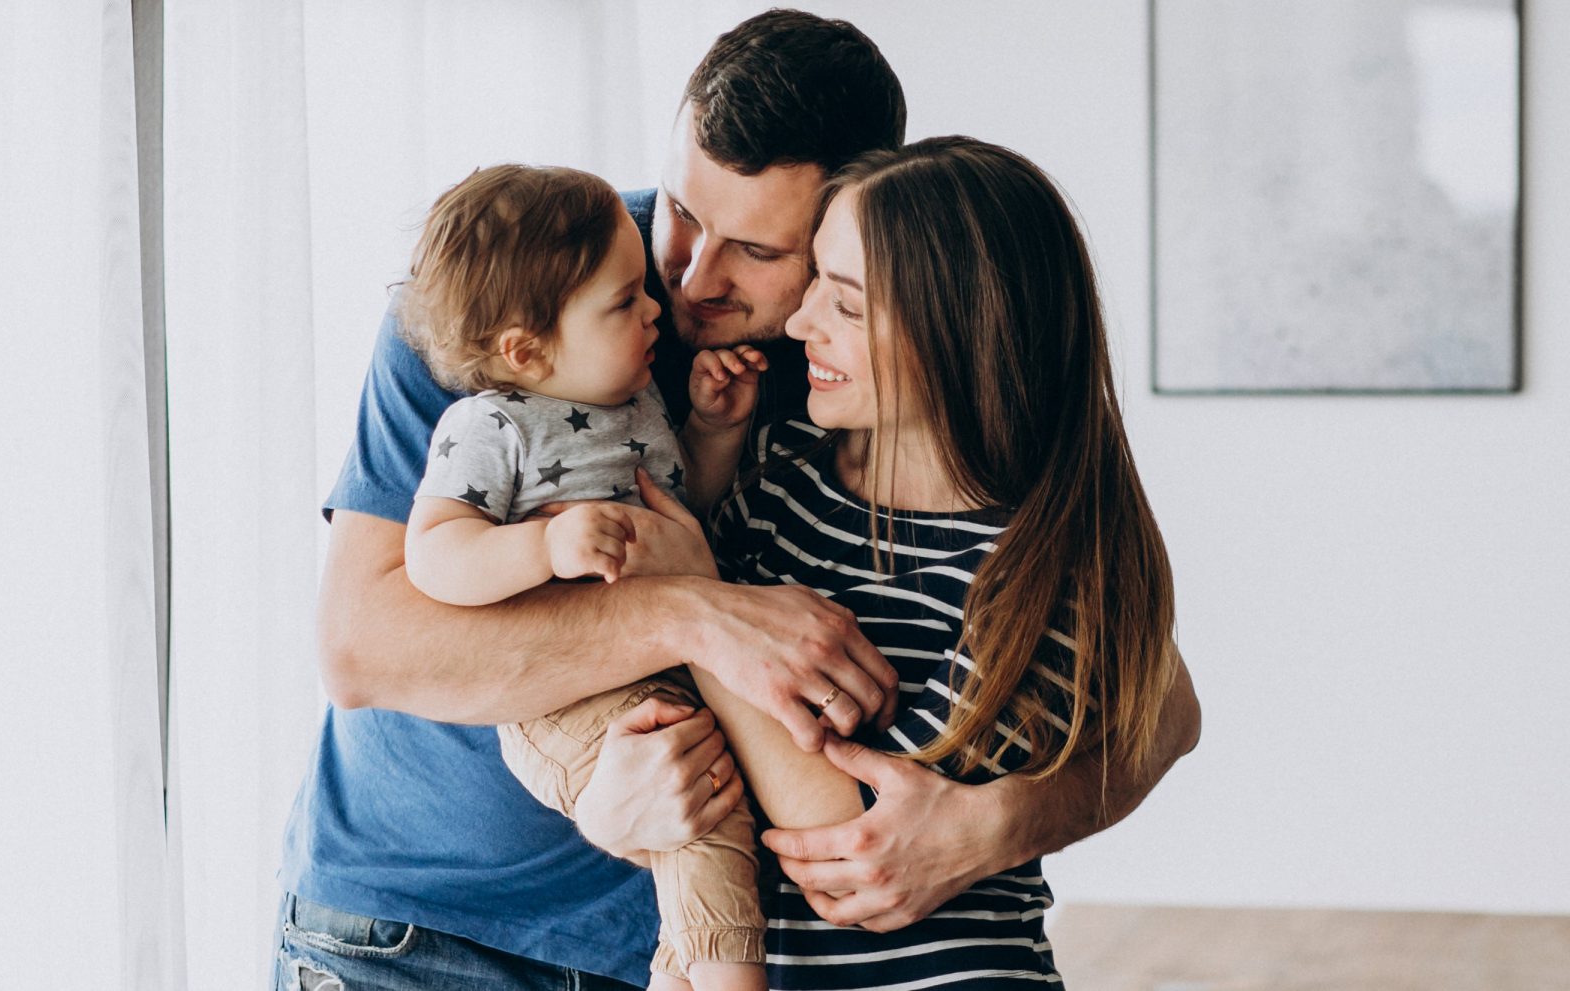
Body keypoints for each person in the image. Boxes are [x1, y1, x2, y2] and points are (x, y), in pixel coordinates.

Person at [282, 11, 1201, 991]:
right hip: (428, 929)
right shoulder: (516, 287)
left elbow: (1160, 702)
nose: (689, 272)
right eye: (680, 208)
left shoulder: (855, 359)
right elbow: (361, 646)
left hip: (684, 947)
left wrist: (1005, 821)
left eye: (759, 251)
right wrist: (697, 614)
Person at [598, 134, 1183, 988]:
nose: (800, 326)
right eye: (812, 289)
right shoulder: (781, 483)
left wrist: (697, 605)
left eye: (844, 302)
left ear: (960, 332)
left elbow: (848, 837)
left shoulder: (1040, 565)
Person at [398, 162, 774, 991]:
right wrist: (545, 550)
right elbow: (434, 554)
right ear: (526, 349)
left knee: (716, 814)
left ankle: (681, 974)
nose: (654, 312)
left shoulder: (636, 404)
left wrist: (712, 431)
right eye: (623, 302)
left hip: (652, 676)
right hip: (561, 702)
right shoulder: (488, 425)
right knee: (709, 823)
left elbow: (684, 519)